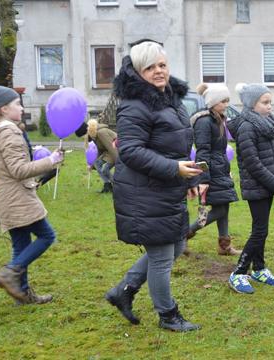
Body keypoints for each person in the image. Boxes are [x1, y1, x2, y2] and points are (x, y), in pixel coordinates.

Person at [104, 40, 202, 332]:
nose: (159, 72)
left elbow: (178, 145)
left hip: (166, 186)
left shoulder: (169, 98)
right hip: (143, 190)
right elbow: (131, 151)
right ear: (137, 71)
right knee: (161, 255)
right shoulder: (134, 106)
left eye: (162, 65)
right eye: (150, 67)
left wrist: (190, 178)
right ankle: (168, 315)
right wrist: (174, 169)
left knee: (177, 244)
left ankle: (124, 290)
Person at [0, 81, 64, 305]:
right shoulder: (9, 133)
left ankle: (22, 294)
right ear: (3, 109)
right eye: (16, 104)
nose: (21, 108)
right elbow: (19, 170)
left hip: (5, 199)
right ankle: (9, 272)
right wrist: (50, 161)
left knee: (21, 245)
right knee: (46, 236)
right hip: (17, 198)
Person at [225, 83, 274, 295]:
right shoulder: (246, 127)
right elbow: (253, 163)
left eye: (270, 102)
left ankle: (259, 268)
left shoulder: (263, 124)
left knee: (262, 229)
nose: (270, 106)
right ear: (252, 104)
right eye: (265, 102)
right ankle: (238, 273)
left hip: (267, 185)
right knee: (260, 231)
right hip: (257, 186)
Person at [185, 83, 241, 256]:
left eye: (227, 101)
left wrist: (226, 170)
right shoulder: (204, 122)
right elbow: (203, 151)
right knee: (220, 210)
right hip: (211, 173)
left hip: (220, 170)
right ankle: (183, 235)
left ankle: (224, 246)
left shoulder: (218, 119)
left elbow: (220, 151)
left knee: (224, 207)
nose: (226, 104)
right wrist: (203, 179)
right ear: (213, 102)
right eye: (223, 101)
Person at [74, 119, 118, 193]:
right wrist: (93, 165)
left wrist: (119, 162)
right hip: (108, 152)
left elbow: (112, 148)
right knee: (97, 163)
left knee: (105, 169)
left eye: (83, 136)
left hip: (117, 151)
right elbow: (100, 151)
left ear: (86, 132)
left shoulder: (101, 133)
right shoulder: (94, 135)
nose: (83, 139)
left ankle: (118, 186)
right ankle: (107, 185)